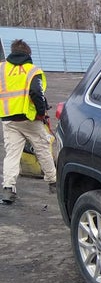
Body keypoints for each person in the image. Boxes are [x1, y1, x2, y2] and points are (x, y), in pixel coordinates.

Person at [1, 39, 57, 204]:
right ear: (28, 53)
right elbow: (36, 93)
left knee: (12, 154)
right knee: (43, 148)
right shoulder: (32, 71)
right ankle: (53, 182)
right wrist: (42, 113)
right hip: (30, 119)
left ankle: (8, 189)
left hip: (8, 119)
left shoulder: (2, 69)